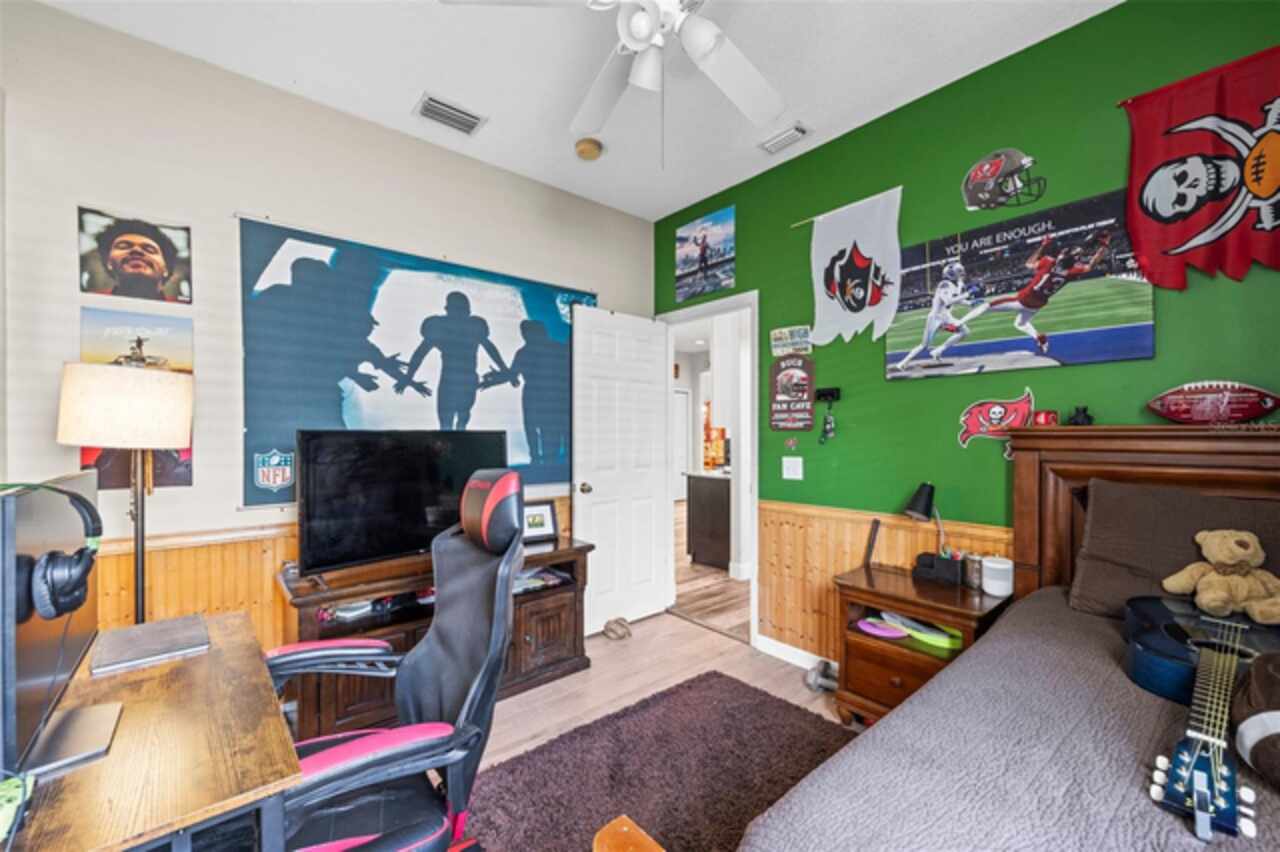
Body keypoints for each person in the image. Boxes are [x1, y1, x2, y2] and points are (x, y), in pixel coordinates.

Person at [962, 232, 1110, 355]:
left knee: (986, 306)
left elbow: (1028, 263)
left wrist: (1042, 246)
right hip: (1038, 304)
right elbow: (1091, 265)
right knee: (1020, 324)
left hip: (1023, 299)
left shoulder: (1048, 262)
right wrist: (1103, 247)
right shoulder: (1072, 271)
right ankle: (1039, 338)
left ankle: (958, 323)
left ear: (1061, 257)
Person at [396, 291, 510, 430]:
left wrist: (408, 377)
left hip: (458, 380)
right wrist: (504, 370)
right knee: (451, 422)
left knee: (456, 420)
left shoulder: (451, 327)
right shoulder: (460, 327)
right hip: (456, 380)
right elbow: (420, 354)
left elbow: (420, 354)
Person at [893, 261, 984, 370]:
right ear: (952, 273)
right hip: (936, 319)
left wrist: (970, 303)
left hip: (946, 318)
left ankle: (938, 351)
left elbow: (957, 299)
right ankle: (902, 363)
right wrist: (968, 293)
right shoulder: (944, 284)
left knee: (964, 331)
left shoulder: (952, 285)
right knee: (924, 345)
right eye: (959, 272)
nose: (961, 274)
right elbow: (949, 301)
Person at [504, 320, 570, 465]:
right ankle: (544, 459)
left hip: (540, 395)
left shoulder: (523, 353)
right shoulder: (559, 348)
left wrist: (505, 377)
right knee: (545, 430)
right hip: (553, 394)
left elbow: (513, 376)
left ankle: (539, 459)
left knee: (538, 428)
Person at [95, 218, 179, 301]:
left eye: (149, 249)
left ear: (166, 269)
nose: (136, 250)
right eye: (123, 246)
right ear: (108, 263)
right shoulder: (95, 300)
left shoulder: (179, 306)